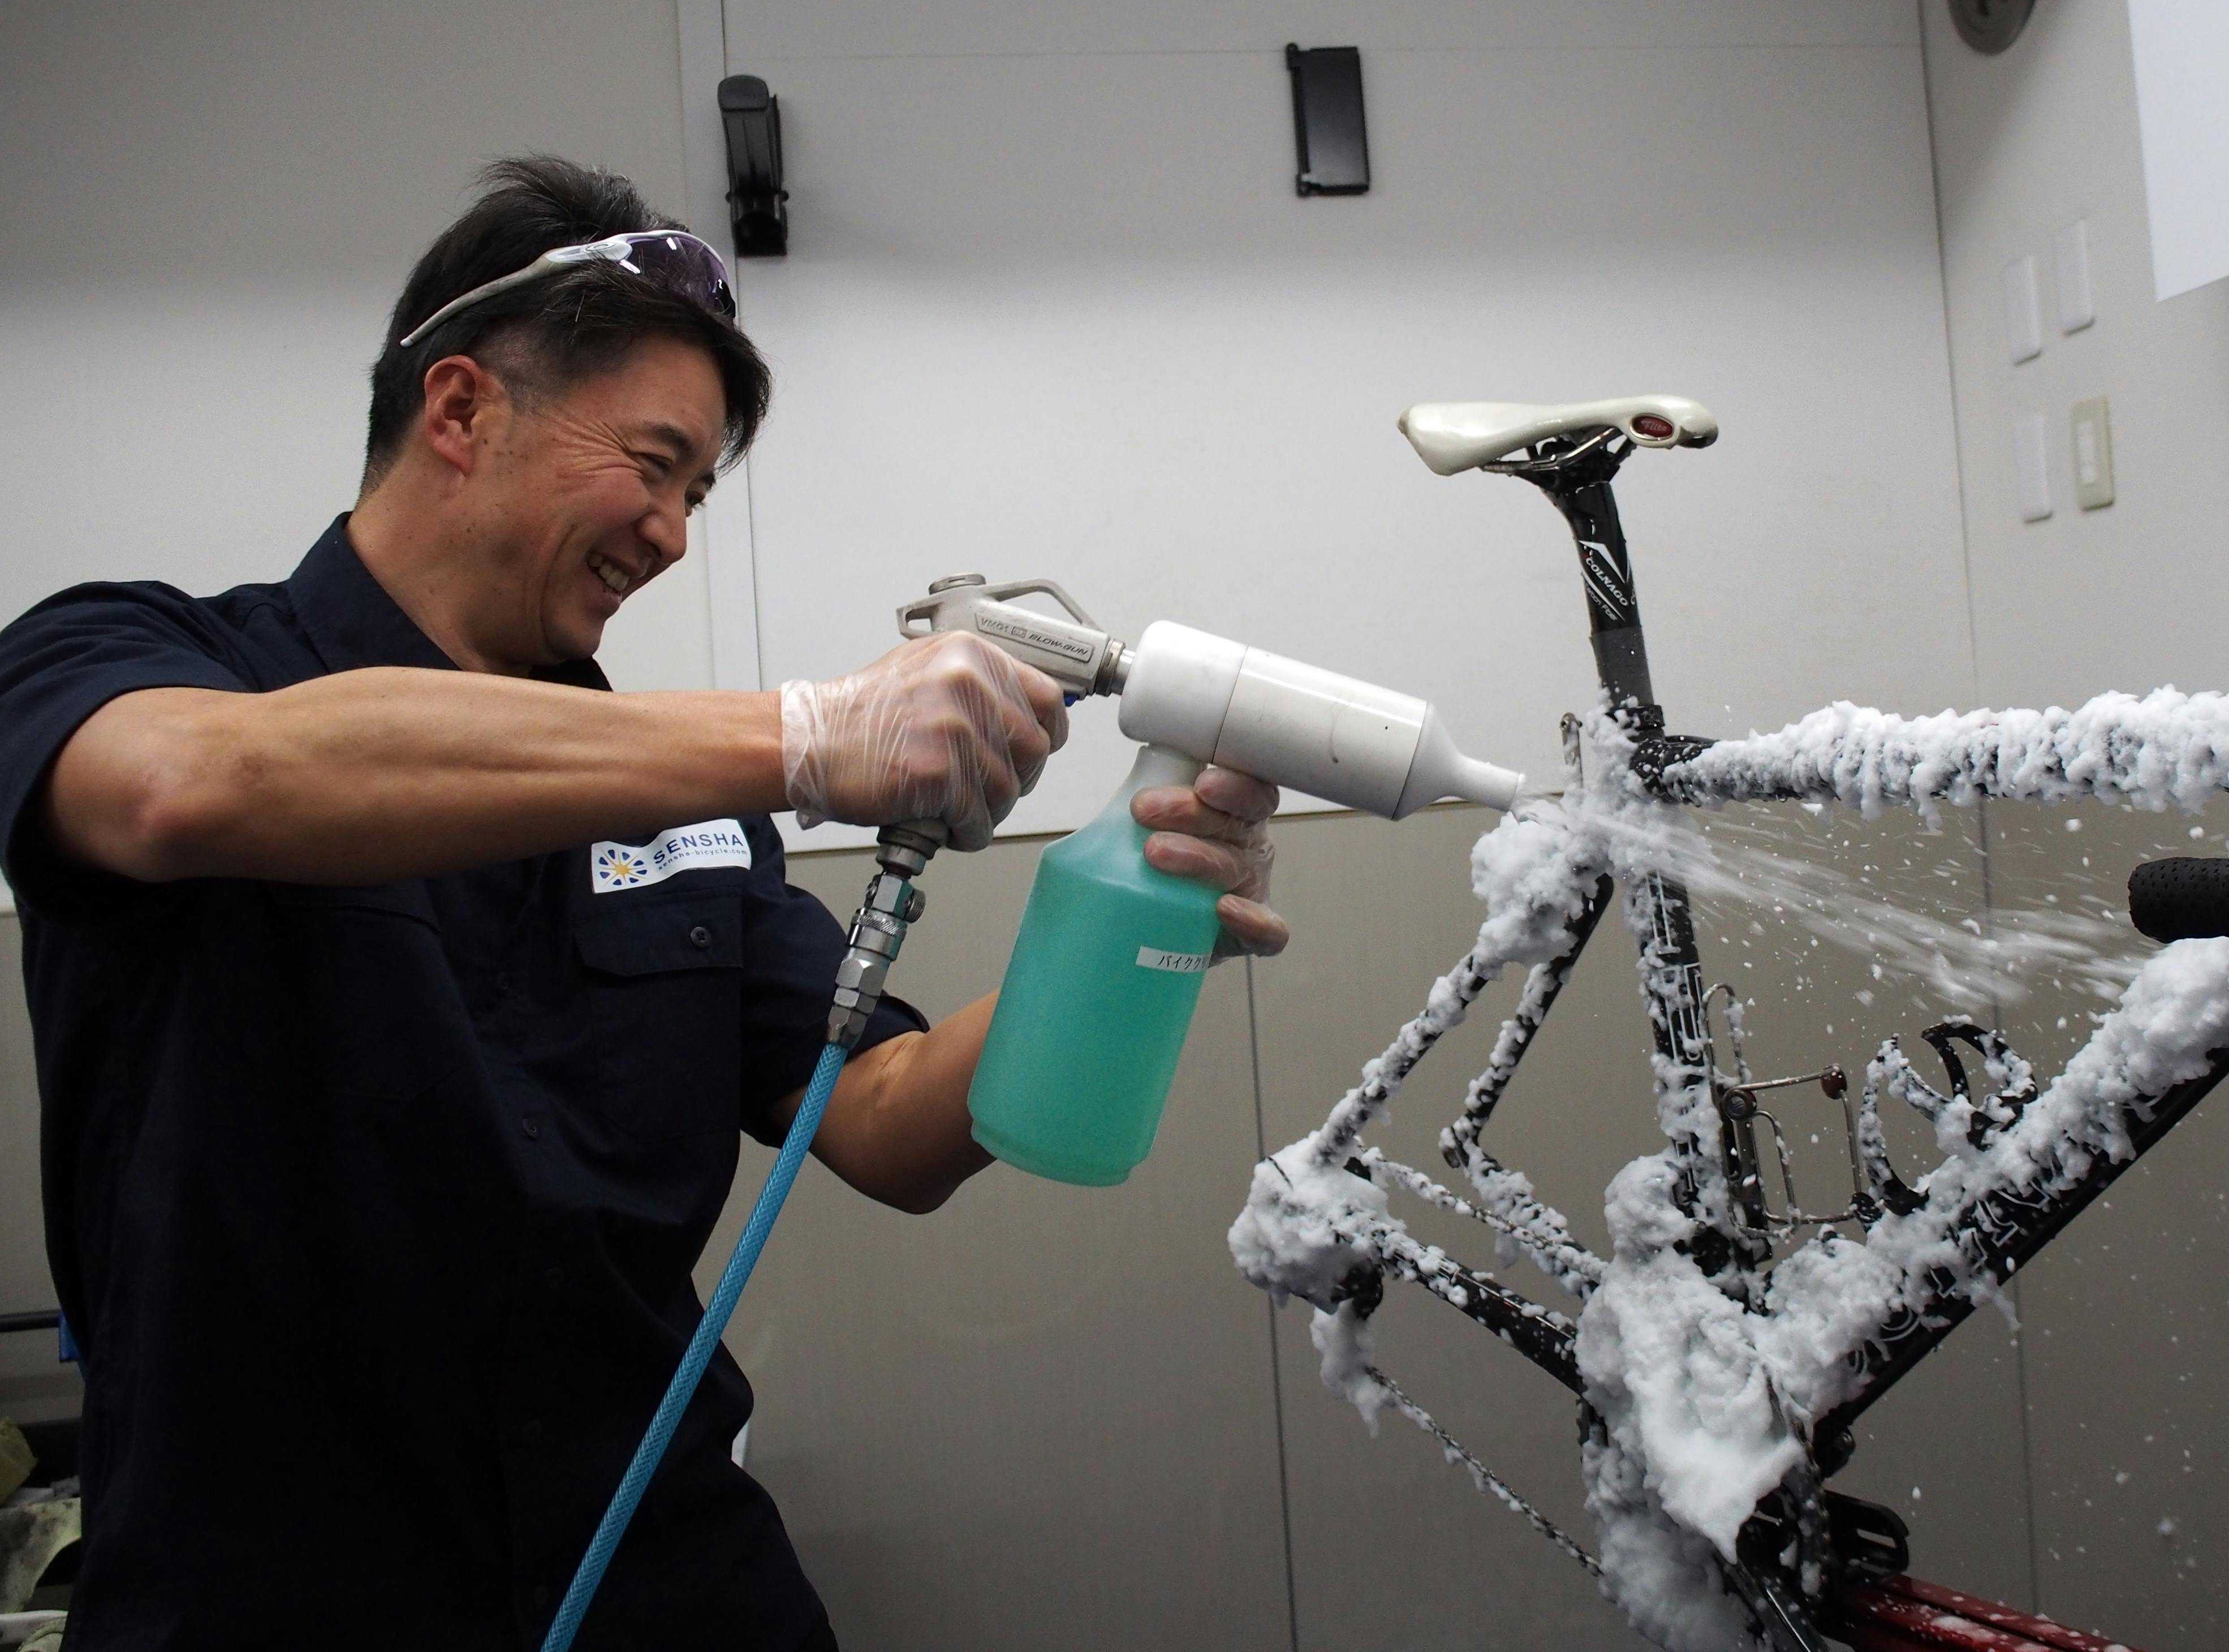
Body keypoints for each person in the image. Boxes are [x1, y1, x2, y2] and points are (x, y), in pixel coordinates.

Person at [0, 157, 1288, 1651]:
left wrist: (1141, 915)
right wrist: (804, 738)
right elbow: (182, 790)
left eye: (698, 491)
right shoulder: (132, 657)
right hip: (274, 1593)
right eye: (655, 463)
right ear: (463, 408)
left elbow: (880, 1122)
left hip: (659, 1576)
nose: (674, 535)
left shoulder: (677, 801)